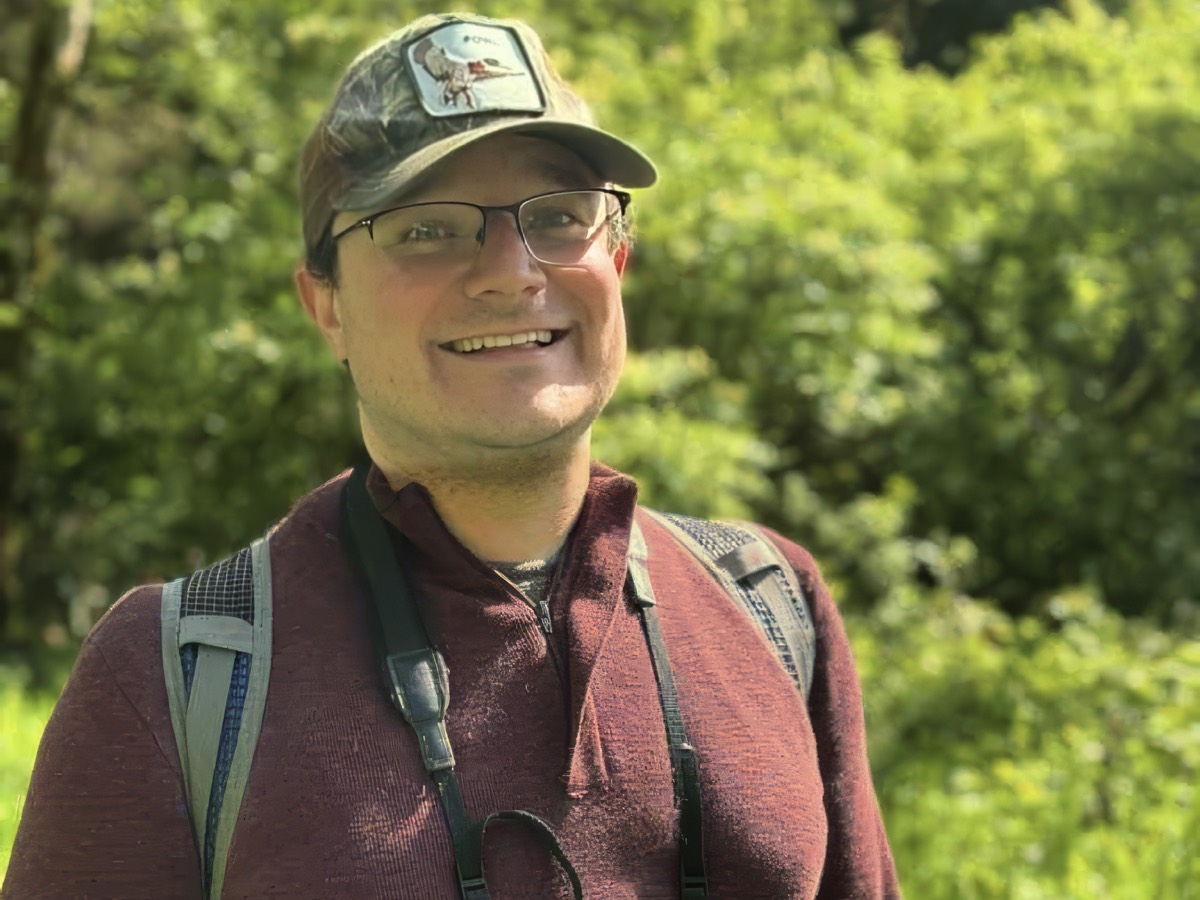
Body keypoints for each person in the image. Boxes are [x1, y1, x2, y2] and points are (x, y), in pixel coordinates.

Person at [3, 12, 900, 900]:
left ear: (619, 262)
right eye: (427, 229)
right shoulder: (178, 681)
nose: (512, 271)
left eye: (557, 216)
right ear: (327, 308)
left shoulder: (769, 607)